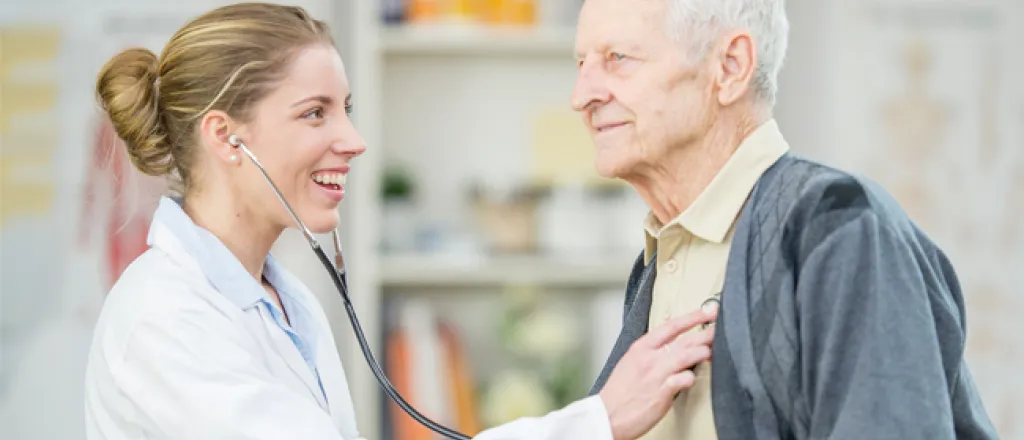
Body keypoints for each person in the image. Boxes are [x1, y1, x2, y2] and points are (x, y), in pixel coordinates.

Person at [82, 3, 715, 440]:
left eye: (347, 109)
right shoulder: (164, 321)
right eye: (314, 113)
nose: (353, 139)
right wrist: (599, 420)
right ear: (226, 136)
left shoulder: (286, 299)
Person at [572, 0, 999, 439]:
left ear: (731, 66)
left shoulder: (837, 226)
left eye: (617, 59)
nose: (581, 96)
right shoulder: (657, 263)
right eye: (582, 63)